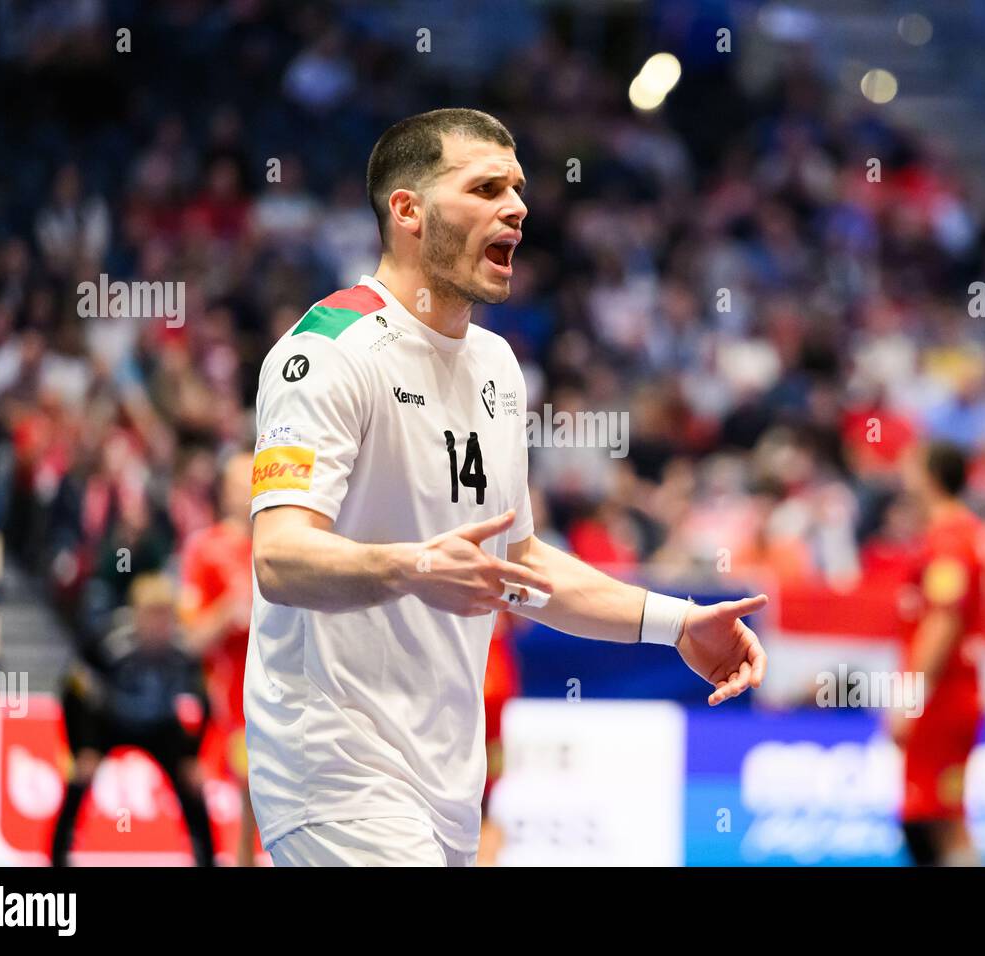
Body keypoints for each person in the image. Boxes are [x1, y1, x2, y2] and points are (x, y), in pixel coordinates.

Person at [249, 108, 769, 867]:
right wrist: (413, 565)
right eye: (487, 187)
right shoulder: (328, 351)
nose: (518, 207)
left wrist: (678, 624)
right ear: (408, 211)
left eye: (518, 188)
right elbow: (279, 557)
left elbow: (521, 565)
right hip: (334, 770)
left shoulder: (496, 367)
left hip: (446, 785)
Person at [52, 573, 215, 867]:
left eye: (165, 617)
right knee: (78, 780)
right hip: (109, 722)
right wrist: (81, 748)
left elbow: (205, 701)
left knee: (193, 787)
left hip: (160, 725)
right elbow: (73, 692)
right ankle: (57, 857)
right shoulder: (111, 644)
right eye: (151, 616)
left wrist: (194, 754)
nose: (159, 627)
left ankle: (207, 859)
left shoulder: (184, 649)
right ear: (135, 615)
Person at [889, 442, 985, 866]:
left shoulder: (950, 540)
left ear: (929, 476)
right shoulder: (950, 534)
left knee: (942, 821)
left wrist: (910, 698)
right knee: (928, 820)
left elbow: (943, 622)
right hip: (944, 698)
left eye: (909, 466)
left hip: (942, 701)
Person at [179, 450, 257, 865]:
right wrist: (230, 609)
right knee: (249, 801)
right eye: (242, 484)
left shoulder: (278, 546)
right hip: (234, 704)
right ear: (226, 491)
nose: (250, 493)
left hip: (294, 691)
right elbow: (190, 637)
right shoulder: (205, 550)